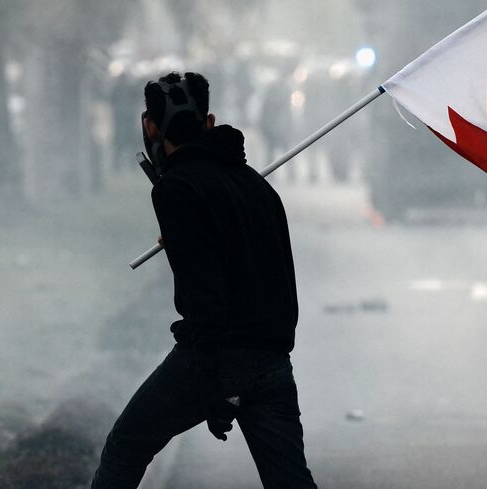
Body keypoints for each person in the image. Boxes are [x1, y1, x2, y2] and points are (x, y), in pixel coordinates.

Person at [91, 72, 317, 489]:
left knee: (126, 446)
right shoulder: (256, 186)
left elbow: (204, 299)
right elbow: (270, 278)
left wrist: (216, 386)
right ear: (209, 123)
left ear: (150, 127)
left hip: (214, 357)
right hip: (271, 359)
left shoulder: (175, 189)